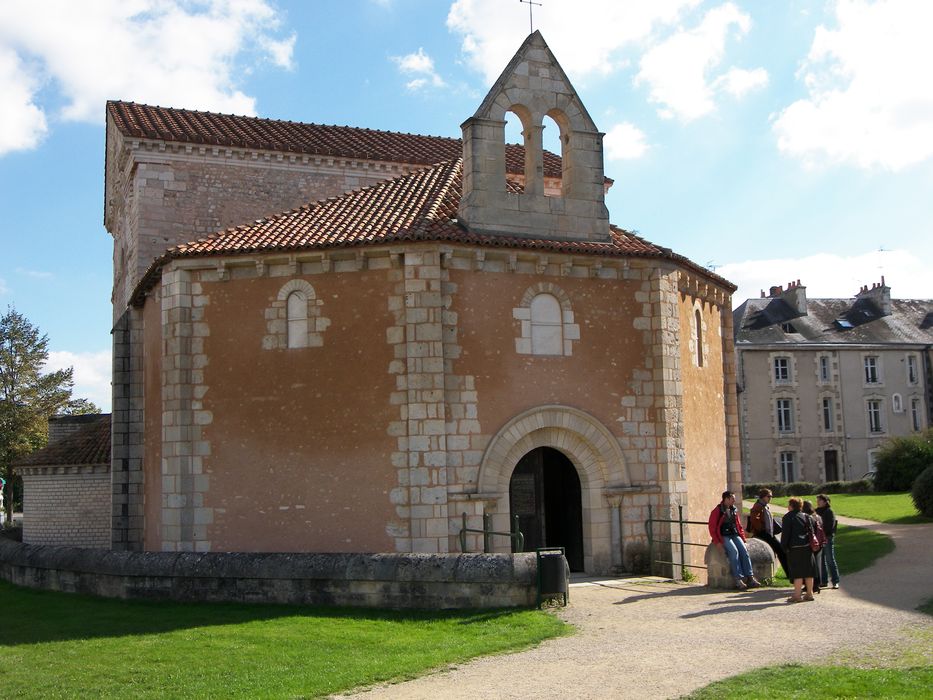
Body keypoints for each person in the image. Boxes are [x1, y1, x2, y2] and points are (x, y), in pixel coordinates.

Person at [708, 490, 761, 590]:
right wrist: (717, 542)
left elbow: (739, 525)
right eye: (732, 498)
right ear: (726, 499)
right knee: (734, 551)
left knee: (744, 551)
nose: (734, 500)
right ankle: (738, 579)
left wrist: (743, 539)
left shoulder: (734, 510)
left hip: (734, 534)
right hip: (724, 535)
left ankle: (750, 577)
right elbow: (712, 528)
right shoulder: (717, 511)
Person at [780, 497, 816, 603]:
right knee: (809, 571)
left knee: (797, 572)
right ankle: (809, 593)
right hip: (807, 547)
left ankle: (797, 595)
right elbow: (812, 531)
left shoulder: (788, 517)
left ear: (791, 506)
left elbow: (786, 534)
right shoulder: (807, 516)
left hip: (794, 547)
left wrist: (784, 546)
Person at [747, 488, 788, 574]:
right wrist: (761, 529)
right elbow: (754, 519)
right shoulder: (758, 506)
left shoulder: (765, 506)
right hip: (763, 533)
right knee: (781, 551)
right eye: (768, 496)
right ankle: (790, 573)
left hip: (769, 532)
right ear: (763, 497)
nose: (770, 498)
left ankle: (790, 573)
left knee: (781, 550)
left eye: (771, 496)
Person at [816, 494, 840, 589]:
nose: (817, 502)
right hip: (819, 539)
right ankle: (824, 581)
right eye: (817, 500)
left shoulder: (829, 512)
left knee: (830, 559)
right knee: (821, 561)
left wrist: (821, 533)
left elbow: (829, 526)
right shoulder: (816, 511)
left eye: (819, 500)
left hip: (827, 538)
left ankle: (835, 581)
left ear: (826, 501)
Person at [802, 500, 825, 594]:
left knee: (811, 565)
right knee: (816, 564)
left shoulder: (808, 518)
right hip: (819, 543)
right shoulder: (818, 516)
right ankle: (815, 584)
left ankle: (814, 585)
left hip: (812, 543)